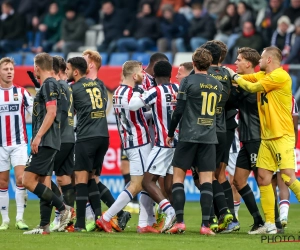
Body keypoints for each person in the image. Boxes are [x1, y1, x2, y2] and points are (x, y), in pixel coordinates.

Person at [226, 46, 300, 234]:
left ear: (269, 60)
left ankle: (271, 221)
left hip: (282, 135)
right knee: (263, 178)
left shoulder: (280, 76)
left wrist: (233, 77)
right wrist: (231, 76)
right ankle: (269, 224)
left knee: (288, 178)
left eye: (261, 59)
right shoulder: (265, 76)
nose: (258, 62)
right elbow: (248, 79)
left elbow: (251, 87)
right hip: (266, 137)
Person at [165, 47, 222, 235]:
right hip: (208, 137)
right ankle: (206, 225)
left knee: (178, 179)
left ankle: (180, 222)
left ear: (194, 63)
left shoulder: (188, 81)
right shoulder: (217, 84)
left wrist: (171, 132)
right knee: (206, 181)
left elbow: (179, 110)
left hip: (189, 135)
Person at [96, 61, 155, 234]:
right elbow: (136, 110)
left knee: (144, 183)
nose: (144, 74)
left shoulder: (118, 92)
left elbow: (134, 114)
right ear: (134, 76)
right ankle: (106, 218)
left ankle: (144, 223)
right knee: (138, 184)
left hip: (130, 142)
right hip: (138, 142)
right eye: (141, 72)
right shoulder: (131, 94)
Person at [22, 53, 73, 235]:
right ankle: (44, 226)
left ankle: (63, 208)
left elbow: (51, 112)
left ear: (37, 68)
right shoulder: (53, 85)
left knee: (27, 180)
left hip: (46, 140)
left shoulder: (49, 84)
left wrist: (37, 137)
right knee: (45, 181)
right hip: (51, 139)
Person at [82, 50, 131, 232]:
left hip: (92, 136)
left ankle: (98, 217)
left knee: (86, 177)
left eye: (84, 60)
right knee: (92, 178)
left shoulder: (91, 86)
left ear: (92, 64)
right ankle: (117, 213)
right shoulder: (99, 86)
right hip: (99, 136)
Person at [128, 60, 178, 232]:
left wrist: (138, 86)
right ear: (171, 74)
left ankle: (169, 211)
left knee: (147, 182)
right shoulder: (178, 89)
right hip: (179, 144)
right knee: (170, 186)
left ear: (154, 76)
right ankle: (177, 221)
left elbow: (133, 105)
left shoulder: (155, 91)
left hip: (163, 143)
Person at [66, 57, 109, 232]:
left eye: (68, 69)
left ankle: (80, 224)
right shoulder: (97, 85)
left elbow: (68, 113)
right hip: (103, 136)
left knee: (80, 179)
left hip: (87, 137)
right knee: (91, 177)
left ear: (76, 72)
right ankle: (99, 219)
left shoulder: (73, 89)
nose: (67, 72)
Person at [230, 47, 265, 233]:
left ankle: (273, 222)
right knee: (238, 180)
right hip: (246, 138)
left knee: (263, 181)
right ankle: (258, 220)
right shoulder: (245, 83)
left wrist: (233, 86)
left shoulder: (255, 84)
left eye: (238, 60)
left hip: (255, 137)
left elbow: (234, 100)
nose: (235, 63)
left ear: (248, 64)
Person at [0, 57, 32, 231]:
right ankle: (5, 220)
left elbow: (35, 112)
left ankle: (20, 218)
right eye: (5, 69)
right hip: (0, 145)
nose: (9, 71)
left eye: (11, 69)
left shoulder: (21, 92)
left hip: (19, 143)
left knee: (21, 179)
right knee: (2, 182)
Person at [48, 56, 75, 232]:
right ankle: (67, 220)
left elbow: (56, 113)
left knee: (37, 177)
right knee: (64, 178)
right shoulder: (68, 87)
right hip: (70, 136)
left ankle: (62, 212)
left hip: (58, 137)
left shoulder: (57, 86)